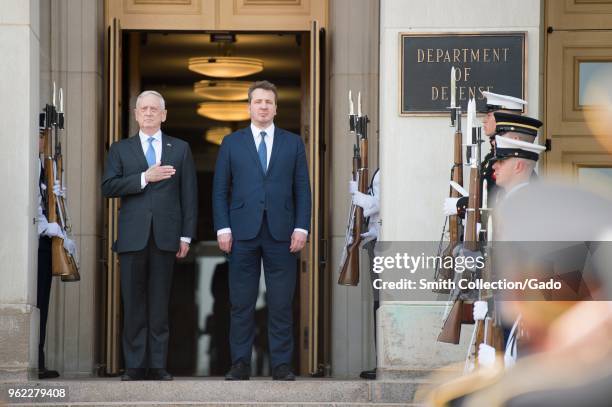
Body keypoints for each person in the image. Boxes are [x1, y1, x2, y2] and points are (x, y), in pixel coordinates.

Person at [212, 80, 311, 381]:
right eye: (258, 102)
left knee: (281, 303)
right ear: (249, 107)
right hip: (241, 233)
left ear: (276, 107)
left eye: (269, 102)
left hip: (283, 234)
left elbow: (302, 190)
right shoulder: (232, 143)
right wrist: (222, 228)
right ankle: (240, 364)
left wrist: (302, 227)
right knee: (241, 303)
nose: (264, 107)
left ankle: (281, 364)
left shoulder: (293, 142)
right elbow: (220, 190)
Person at [101, 90, 198, 381]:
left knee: (159, 304)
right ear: (135, 114)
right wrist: (145, 178)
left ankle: (157, 365)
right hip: (133, 238)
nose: (148, 113)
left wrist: (186, 237)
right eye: (143, 108)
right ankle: (134, 366)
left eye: (154, 109)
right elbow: (108, 186)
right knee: (133, 304)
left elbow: (189, 196)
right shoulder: (121, 149)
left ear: (164, 115)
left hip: (167, 237)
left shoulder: (179, 148)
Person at [443, 92, 527, 218]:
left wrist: (462, 204)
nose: (484, 121)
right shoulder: (491, 157)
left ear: (502, 120)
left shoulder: (511, 159)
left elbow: (494, 200)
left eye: (489, 115)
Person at [349, 169, 380, 380]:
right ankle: (381, 362)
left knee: (381, 303)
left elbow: (380, 203)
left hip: (385, 244)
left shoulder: (391, 165)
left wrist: (358, 197)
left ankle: (383, 363)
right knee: (377, 303)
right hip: (377, 240)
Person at [36, 129, 62, 380]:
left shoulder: (44, 167)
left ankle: (39, 359)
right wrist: (45, 225)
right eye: (37, 135)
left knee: (42, 301)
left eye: (42, 136)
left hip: (44, 245)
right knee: (34, 301)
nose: (40, 141)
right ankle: (34, 360)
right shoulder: (27, 165)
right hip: (31, 243)